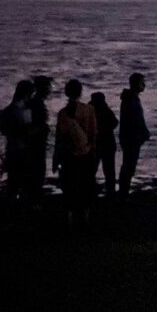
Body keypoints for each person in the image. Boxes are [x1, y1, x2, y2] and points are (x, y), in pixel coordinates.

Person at [52, 78, 97, 227]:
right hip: (86, 152)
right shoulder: (89, 109)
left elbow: (59, 138)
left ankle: (69, 215)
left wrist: (55, 158)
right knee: (87, 184)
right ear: (80, 92)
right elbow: (93, 133)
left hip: (68, 154)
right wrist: (91, 149)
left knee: (69, 185)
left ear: (66, 92)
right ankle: (86, 215)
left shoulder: (62, 114)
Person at [1, 79, 34, 202]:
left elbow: (4, 130)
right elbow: (28, 133)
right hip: (23, 151)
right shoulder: (24, 111)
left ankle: (10, 212)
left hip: (11, 149)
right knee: (25, 183)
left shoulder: (7, 110)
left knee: (12, 183)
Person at [118, 72, 149, 200]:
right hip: (131, 138)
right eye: (142, 83)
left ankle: (124, 192)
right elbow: (135, 120)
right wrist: (143, 132)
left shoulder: (130, 98)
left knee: (128, 165)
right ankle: (123, 194)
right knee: (129, 166)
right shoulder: (131, 99)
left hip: (130, 137)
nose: (144, 85)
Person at [25, 75, 52, 204]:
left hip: (37, 144)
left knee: (36, 173)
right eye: (47, 87)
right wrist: (41, 129)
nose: (50, 90)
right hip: (35, 145)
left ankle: (33, 199)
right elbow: (29, 126)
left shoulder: (34, 103)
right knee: (36, 173)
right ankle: (33, 201)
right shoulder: (35, 103)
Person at [89, 91, 118, 196]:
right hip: (107, 142)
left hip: (95, 143)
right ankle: (111, 190)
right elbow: (115, 122)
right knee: (109, 169)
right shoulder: (105, 109)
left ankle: (90, 189)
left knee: (92, 168)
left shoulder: (89, 109)